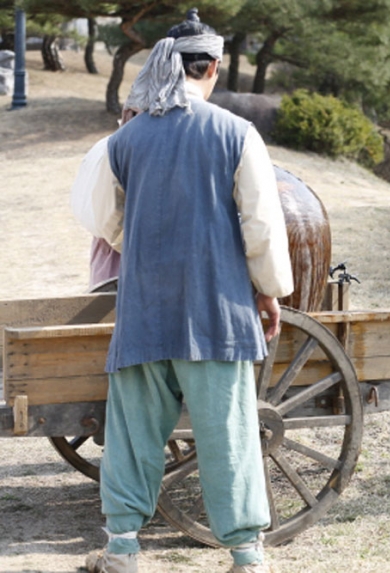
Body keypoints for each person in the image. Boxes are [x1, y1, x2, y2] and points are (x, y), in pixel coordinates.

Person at [81, 9, 293, 573]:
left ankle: (123, 550)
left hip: (144, 309)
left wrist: (146, 240)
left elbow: (102, 215)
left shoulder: (125, 139)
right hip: (216, 311)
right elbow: (262, 227)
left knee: (131, 432)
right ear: (214, 67)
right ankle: (247, 555)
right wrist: (270, 292)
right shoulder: (236, 133)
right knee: (229, 432)